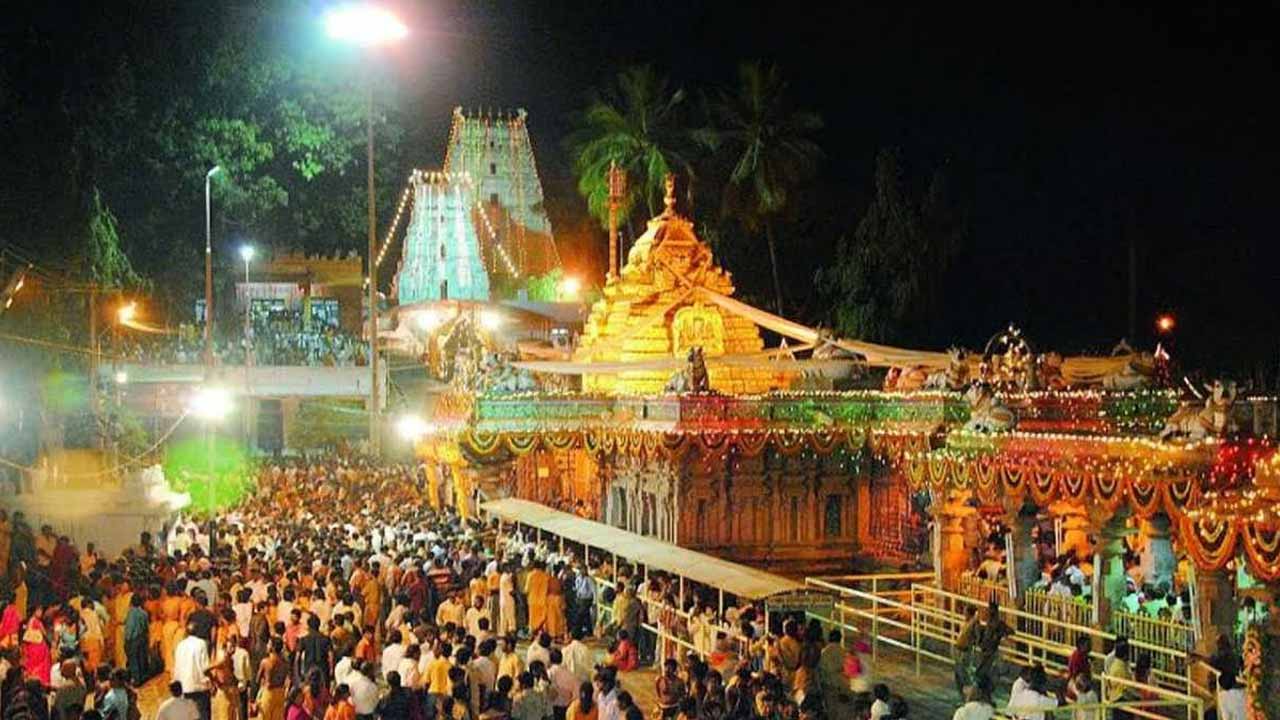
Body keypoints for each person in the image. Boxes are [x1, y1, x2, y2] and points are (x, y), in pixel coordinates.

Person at [173, 623, 212, 720]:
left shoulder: (180, 645)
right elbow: (205, 666)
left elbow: (177, 667)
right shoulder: (201, 643)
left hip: (184, 686)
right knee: (203, 715)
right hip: (199, 686)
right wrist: (211, 681)